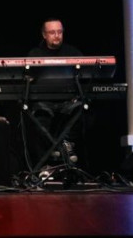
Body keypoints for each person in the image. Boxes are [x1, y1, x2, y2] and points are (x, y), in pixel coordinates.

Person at [25, 18, 86, 172]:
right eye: (52, 32)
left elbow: (84, 76)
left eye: (59, 32)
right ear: (44, 35)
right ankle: (45, 164)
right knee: (39, 117)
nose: (57, 35)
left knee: (81, 109)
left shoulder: (73, 53)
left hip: (68, 101)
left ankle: (67, 147)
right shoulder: (35, 54)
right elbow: (27, 79)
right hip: (43, 101)